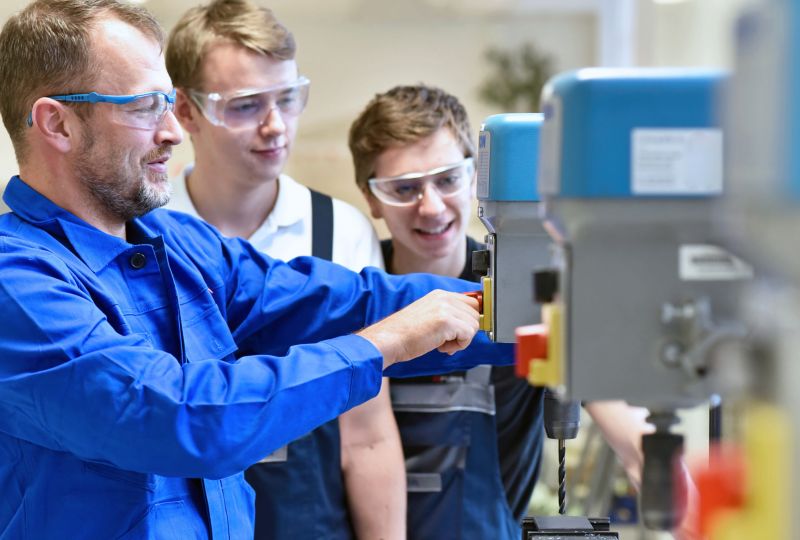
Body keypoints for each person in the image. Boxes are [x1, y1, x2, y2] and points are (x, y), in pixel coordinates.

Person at [0, 2, 511, 538]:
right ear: (56, 123)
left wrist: (545, 315)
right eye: (147, 106)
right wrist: (386, 342)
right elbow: (181, 419)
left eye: (170, 103)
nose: (174, 132)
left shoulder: (180, 244)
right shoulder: (18, 280)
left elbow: (344, 303)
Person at [348, 85, 660, 539]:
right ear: (372, 198)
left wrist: (655, 464)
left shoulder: (526, 286)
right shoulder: (346, 300)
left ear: (477, 177)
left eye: (447, 179)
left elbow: (609, 397)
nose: (431, 205)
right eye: (404, 188)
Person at [164, 1, 404, 537]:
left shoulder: (338, 231)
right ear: (184, 112)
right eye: (247, 105)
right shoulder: (144, 235)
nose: (276, 126)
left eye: (288, 98)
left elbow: (366, 435)